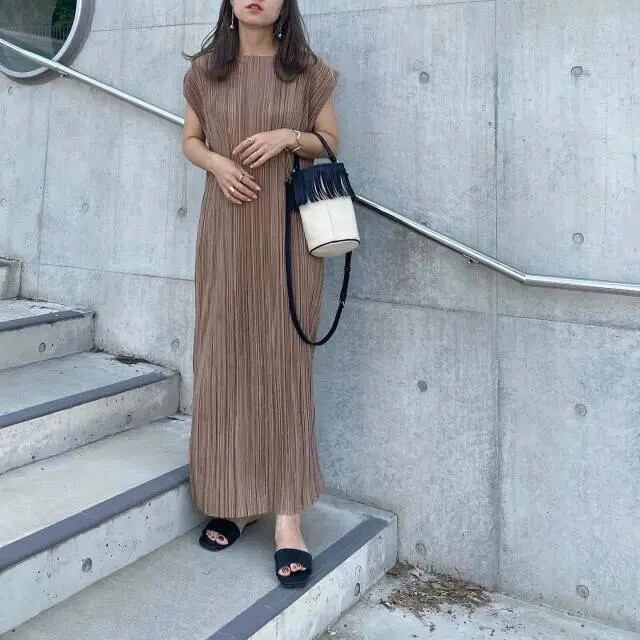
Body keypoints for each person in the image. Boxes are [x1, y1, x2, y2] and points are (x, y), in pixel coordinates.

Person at [181, 0, 340, 589]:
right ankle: (233, 499)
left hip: (289, 239)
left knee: (284, 367)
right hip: (225, 234)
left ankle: (288, 519)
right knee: (224, 361)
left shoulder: (308, 71)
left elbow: (330, 141)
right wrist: (217, 165)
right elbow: (190, 139)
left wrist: (287, 137)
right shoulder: (204, 70)